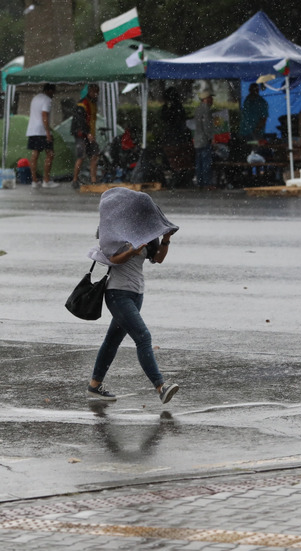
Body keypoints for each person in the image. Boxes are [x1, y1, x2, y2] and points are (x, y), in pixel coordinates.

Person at [86, 187, 180, 405]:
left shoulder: (145, 232)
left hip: (137, 293)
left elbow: (158, 258)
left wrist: (165, 238)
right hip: (117, 294)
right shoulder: (114, 232)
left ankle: (94, 386)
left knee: (112, 341)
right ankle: (161, 386)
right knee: (143, 337)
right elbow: (111, 258)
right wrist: (131, 251)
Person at [26, 83, 58, 188]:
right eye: (53, 92)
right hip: (42, 131)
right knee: (50, 154)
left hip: (32, 130)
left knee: (35, 155)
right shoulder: (47, 100)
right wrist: (48, 132)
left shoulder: (35, 98)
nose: (53, 94)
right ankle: (46, 180)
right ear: (49, 91)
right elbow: (44, 115)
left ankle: (34, 181)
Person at [71, 84, 101, 187]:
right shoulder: (83, 104)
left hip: (90, 134)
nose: (96, 94)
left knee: (94, 154)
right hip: (81, 134)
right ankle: (75, 180)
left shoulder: (93, 103)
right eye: (94, 92)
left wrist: (91, 133)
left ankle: (93, 179)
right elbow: (80, 120)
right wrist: (87, 132)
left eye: (97, 92)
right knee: (81, 156)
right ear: (89, 91)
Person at [193, 89, 216, 189]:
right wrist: (211, 137)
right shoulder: (206, 109)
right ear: (206, 99)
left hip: (197, 139)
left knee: (199, 163)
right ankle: (207, 183)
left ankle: (200, 182)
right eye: (210, 98)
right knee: (206, 162)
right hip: (204, 139)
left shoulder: (198, 109)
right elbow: (207, 125)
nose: (212, 100)